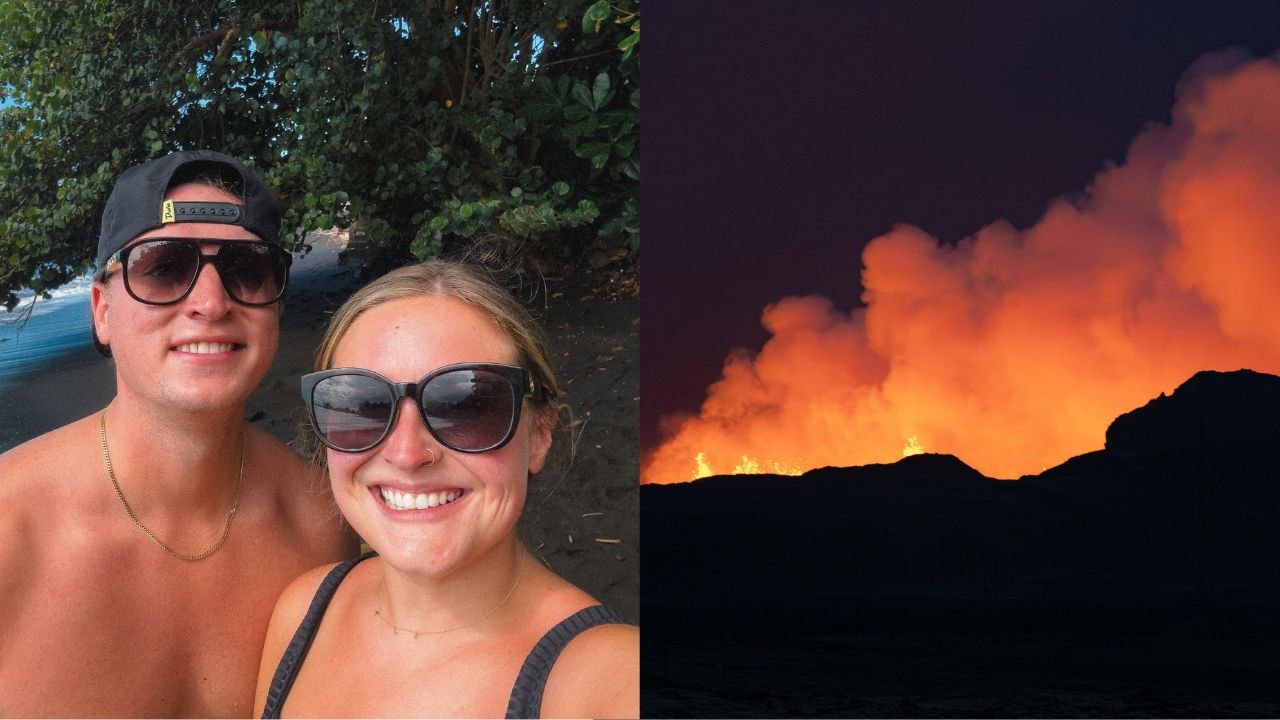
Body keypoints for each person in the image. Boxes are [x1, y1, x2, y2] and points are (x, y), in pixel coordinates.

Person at [0, 150, 359, 717]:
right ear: (101, 311)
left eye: (246, 268)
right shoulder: (9, 526)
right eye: (163, 267)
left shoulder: (327, 520)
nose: (211, 303)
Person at [253, 261, 639, 718]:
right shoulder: (303, 611)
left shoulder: (611, 683)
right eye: (360, 404)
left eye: (468, 406)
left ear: (539, 434)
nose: (408, 453)